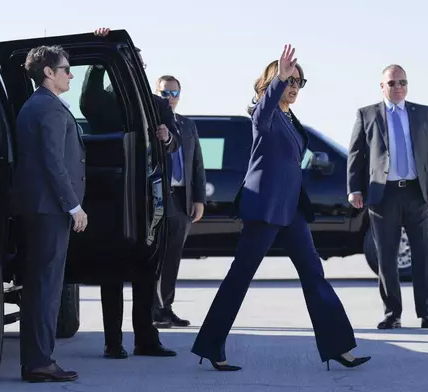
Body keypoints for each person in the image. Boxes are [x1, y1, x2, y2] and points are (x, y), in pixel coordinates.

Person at [190, 45, 371, 372]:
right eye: (288, 80)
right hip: (264, 208)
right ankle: (211, 346)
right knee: (240, 278)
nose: (293, 86)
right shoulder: (265, 113)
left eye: (298, 82)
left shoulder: (289, 118)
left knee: (314, 273)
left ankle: (339, 347)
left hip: (291, 210)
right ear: (273, 82)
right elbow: (264, 109)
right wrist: (278, 80)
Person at [78, 27, 180, 359]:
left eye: (137, 63)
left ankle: (146, 340)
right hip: (111, 198)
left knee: (147, 272)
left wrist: (166, 137)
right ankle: (112, 343)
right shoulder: (105, 103)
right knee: (111, 271)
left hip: (149, 199)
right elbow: (87, 98)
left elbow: (175, 140)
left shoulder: (156, 105)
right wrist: (98, 53)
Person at [346, 64, 428, 330]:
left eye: (402, 82)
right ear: (382, 86)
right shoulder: (367, 114)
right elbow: (356, 155)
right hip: (383, 194)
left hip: (418, 193)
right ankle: (392, 314)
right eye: (392, 83)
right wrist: (354, 188)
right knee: (387, 257)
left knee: (424, 256)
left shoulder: (423, 113)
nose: (398, 87)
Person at [12, 45, 87, 382]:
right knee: (46, 287)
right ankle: (40, 361)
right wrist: (73, 205)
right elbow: (53, 162)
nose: (71, 74)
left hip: (38, 208)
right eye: (66, 68)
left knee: (40, 286)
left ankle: (36, 359)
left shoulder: (36, 105)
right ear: (48, 72)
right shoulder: (50, 108)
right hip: (50, 210)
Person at [152, 75, 207, 329]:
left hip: (182, 197)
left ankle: (167, 307)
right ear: (156, 94)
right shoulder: (152, 122)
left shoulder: (187, 125)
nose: (170, 99)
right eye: (165, 94)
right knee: (157, 255)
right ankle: (153, 309)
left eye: (174, 93)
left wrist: (199, 198)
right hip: (158, 197)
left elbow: (197, 163)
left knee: (173, 256)